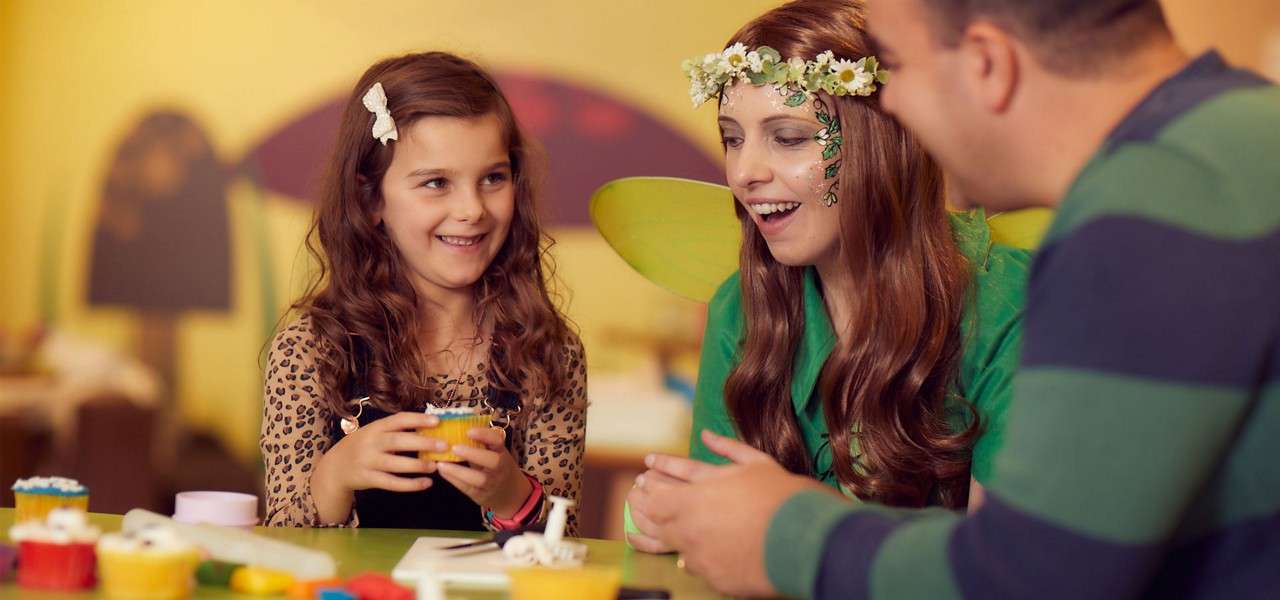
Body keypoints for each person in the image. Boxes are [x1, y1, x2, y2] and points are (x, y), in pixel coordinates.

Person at [631, 0, 1280, 597]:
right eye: (733, 138)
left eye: (901, 69)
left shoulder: (1150, 210)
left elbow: (1033, 579)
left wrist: (779, 534)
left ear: (987, 64)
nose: (899, 111)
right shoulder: (1238, 142)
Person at [625, 0, 1029, 553]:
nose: (745, 173)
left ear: (885, 143)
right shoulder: (740, 308)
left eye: (788, 138)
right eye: (732, 138)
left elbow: (1011, 566)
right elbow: (716, 533)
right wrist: (672, 516)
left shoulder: (1007, 304)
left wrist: (793, 520)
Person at [261, 52, 587, 534]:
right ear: (371, 199)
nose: (472, 209)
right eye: (437, 183)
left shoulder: (548, 353)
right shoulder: (309, 351)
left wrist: (510, 493)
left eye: (493, 178)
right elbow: (283, 544)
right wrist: (335, 476)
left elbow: (562, 545)